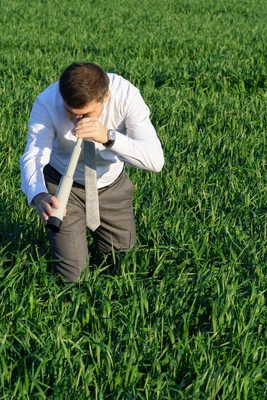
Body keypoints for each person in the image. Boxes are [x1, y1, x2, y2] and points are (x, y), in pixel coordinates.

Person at [20, 62, 164, 282]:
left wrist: (108, 137)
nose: (77, 120)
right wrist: (38, 196)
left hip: (111, 185)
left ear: (105, 98)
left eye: (85, 113)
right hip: (62, 185)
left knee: (123, 264)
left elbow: (155, 160)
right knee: (73, 278)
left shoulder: (127, 96)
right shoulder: (47, 102)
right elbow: (34, 154)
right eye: (70, 112)